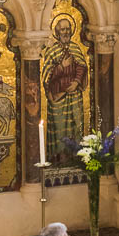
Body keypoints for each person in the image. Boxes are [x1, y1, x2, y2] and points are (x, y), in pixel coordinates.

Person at [41, 16, 89, 159]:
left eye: (68, 29)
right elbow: (46, 76)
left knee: (76, 125)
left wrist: (76, 82)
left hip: (74, 95)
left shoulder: (75, 48)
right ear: (57, 32)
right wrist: (62, 67)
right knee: (59, 128)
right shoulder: (52, 51)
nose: (66, 32)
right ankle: (59, 158)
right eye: (62, 29)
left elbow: (82, 67)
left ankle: (76, 156)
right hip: (57, 97)